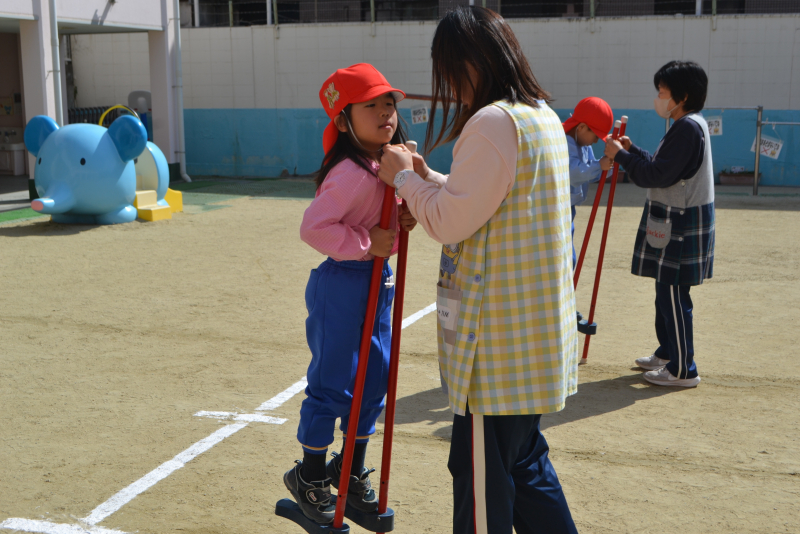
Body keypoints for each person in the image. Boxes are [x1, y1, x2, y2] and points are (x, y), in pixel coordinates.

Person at [378, 7, 579, 534]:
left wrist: (404, 181)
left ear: (471, 62)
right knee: (525, 464)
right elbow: (489, 198)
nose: (449, 85)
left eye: (449, 69)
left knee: (482, 480)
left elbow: (450, 220)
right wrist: (428, 178)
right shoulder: (539, 115)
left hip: (496, 348)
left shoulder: (491, 122)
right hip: (532, 338)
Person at [283, 63, 417, 524]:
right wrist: (367, 242)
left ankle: (350, 470)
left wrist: (402, 219)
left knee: (375, 378)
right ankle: (310, 476)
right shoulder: (352, 172)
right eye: (370, 105)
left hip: (378, 282)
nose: (385, 113)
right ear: (343, 121)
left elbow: (386, 223)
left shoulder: (388, 164)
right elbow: (314, 227)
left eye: (389, 104)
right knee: (334, 382)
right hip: (341, 283)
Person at [604, 60, 714, 388]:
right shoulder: (686, 125)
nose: (659, 98)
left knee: (673, 293)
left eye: (663, 92)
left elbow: (656, 174)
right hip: (675, 218)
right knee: (665, 290)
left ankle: (683, 369)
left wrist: (621, 156)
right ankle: (669, 353)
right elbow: (660, 165)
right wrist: (632, 151)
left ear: (683, 96)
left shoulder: (687, 128)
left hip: (681, 220)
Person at [562, 97, 613, 267]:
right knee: (565, 258)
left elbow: (591, 172)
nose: (596, 140)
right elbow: (573, 173)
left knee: (569, 257)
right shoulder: (564, 141)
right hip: (556, 208)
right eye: (595, 135)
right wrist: (599, 166)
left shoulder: (584, 144)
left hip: (569, 207)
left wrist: (607, 165)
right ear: (581, 127)